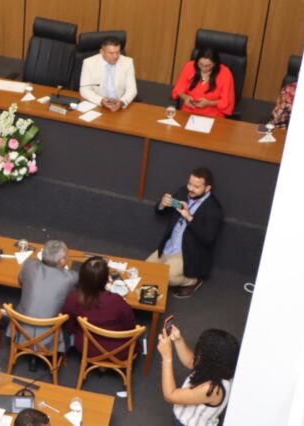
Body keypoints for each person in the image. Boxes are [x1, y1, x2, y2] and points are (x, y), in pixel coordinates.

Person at [149, 167, 224, 298]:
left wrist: (189, 217)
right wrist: (162, 204)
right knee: (145, 272)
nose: (190, 188)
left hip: (187, 253)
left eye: (196, 186)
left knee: (166, 277)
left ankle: (193, 281)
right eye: (189, 184)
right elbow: (159, 212)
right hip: (170, 245)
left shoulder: (214, 210)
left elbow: (208, 239)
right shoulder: (183, 191)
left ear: (207, 188)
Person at [158, 326, 240, 426]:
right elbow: (190, 362)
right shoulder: (221, 368)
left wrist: (167, 358)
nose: (198, 355)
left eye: (201, 354)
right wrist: (178, 340)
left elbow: (170, 395)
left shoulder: (212, 389)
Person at [61, 256, 136, 357]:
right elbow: (130, 326)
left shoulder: (73, 299)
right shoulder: (116, 301)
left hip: (86, 348)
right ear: (106, 280)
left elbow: (69, 326)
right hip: (119, 351)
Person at [15, 240, 78, 352]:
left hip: (21, 331)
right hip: (49, 339)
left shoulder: (29, 264)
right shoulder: (71, 278)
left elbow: (21, 279)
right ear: (62, 261)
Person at [172, 48, 235, 118]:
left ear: (215, 64)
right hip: (188, 112)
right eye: (201, 64)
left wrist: (209, 103)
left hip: (213, 115)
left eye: (208, 65)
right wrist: (186, 97)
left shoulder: (225, 73)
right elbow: (179, 89)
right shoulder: (190, 66)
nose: (204, 68)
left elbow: (225, 101)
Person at [78, 36, 137, 111]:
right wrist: (101, 101)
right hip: (99, 105)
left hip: (120, 104)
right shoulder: (88, 63)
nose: (115, 56)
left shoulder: (128, 62)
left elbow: (132, 89)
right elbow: (84, 89)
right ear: (102, 52)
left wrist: (122, 102)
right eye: (111, 53)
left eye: (118, 52)